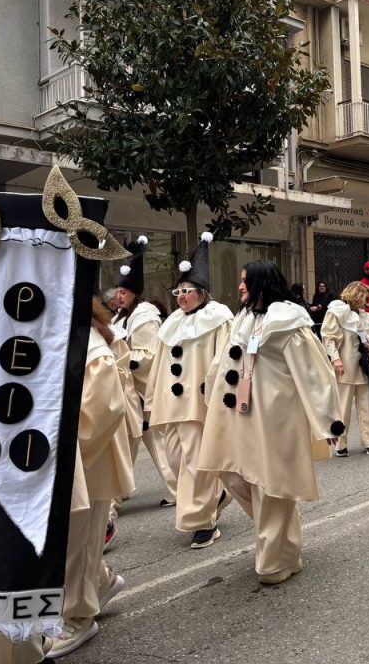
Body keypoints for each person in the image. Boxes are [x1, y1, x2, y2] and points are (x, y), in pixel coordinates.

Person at [199, 260, 343, 584]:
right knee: (234, 478)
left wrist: (329, 420)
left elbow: (314, 374)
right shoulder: (243, 318)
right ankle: (284, 538)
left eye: (245, 281)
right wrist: (209, 386)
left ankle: (273, 563)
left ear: (263, 284)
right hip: (239, 418)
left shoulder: (289, 323)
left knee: (272, 486)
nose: (239, 287)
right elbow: (223, 359)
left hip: (276, 420)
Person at [46, 300, 134, 658]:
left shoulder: (91, 348)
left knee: (75, 537)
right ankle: (100, 580)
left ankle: (78, 616)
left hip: (85, 456)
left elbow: (102, 410)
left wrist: (58, 445)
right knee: (71, 539)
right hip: (60, 452)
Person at [146, 233, 234, 548]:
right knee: (172, 459)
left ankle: (202, 522)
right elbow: (158, 363)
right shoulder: (171, 322)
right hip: (171, 404)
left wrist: (216, 393)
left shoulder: (219, 318)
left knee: (196, 461)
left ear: (202, 293)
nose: (181, 296)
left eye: (187, 291)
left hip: (199, 403)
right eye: (178, 291)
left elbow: (225, 357)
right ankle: (217, 494)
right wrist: (152, 398)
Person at [112, 237, 178, 510]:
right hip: (126, 391)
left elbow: (147, 356)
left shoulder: (144, 317)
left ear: (135, 294)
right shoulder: (120, 317)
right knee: (124, 444)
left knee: (157, 444)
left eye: (123, 294)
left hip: (143, 392)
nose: (119, 297)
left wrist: (122, 359)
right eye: (118, 293)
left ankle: (178, 489)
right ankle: (116, 493)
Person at [321, 281, 369, 457]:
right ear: (357, 295)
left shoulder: (363, 316)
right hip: (343, 367)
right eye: (365, 297)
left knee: (367, 406)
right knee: (342, 408)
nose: (366, 301)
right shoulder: (337, 311)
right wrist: (335, 359)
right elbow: (328, 337)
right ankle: (340, 445)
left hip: (364, 367)